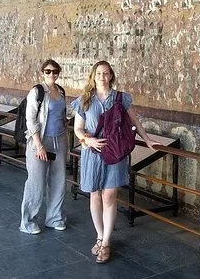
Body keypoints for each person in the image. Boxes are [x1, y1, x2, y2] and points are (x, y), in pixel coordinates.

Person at [72, 60, 159, 264]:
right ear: (93, 76)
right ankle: (99, 235)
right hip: (93, 153)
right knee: (95, 195)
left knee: (109, 195)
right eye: (98, 73)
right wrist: (88, 140)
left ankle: (106, 242)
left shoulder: (121, 98)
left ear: (111, 76)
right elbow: (78, 128)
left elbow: (134, 121)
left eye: (106, 73)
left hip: (115, 151)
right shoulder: (84, 100)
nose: (102, 77)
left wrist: (147, 139)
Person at [19, 59, 68, 235]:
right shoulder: (37, 91)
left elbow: (62, 115)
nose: (51, 74)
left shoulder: (60, 91)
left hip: (59, 139)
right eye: (48, 71)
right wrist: (39, 145)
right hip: (40, 140)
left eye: (55, 71)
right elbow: (30, 119)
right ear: (43, 72)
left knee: (59, 180)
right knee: (36, 182)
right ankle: (28, 221)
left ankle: (54, 218)